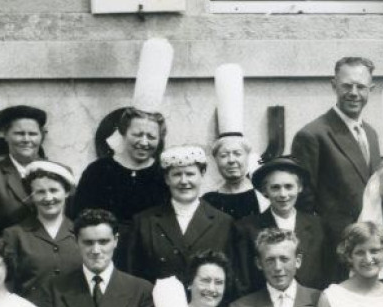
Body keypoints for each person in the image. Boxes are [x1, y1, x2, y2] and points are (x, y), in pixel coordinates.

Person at [291, 57, 380, 256]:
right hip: (333, 248)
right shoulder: (313, 134)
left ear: (371, 89)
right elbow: (303, 204)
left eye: (361, 87)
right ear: (334, 86)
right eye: (347, 86)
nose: (354, 93)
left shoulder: (371, 134)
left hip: (370, 248)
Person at [121, 146, 240, 287]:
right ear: (167, 179)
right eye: (177, 174)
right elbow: (131, 278)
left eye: (190, 174)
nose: (184, 181)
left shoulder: (223, 223)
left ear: (202, 174)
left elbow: (232, 280)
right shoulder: (144, 222)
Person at [233, 158, 328, 295]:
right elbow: (244, 280)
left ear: (299, 187)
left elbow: (328, 273)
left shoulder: (319, 226)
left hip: (311, 305)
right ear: (265, 191)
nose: (283, 194)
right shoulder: (247, 229)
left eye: (289, 187)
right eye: (275, 188)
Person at [71, 107, 168, 225]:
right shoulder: (97, 171)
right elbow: (79, 217)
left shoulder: (164, 173)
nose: (143, 142)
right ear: (123, 132)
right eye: (137, 134)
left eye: (151, 137)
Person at [1, 162, 81, 296]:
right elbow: (8, 285)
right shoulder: (14, 235)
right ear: (31, 196)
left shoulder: (81, 232)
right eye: (40, 192)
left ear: (66, 192)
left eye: (54, 190)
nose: (48, 198)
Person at [0, 105, 53, 232]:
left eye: (32, 134)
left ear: (41, 137)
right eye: (19, 134)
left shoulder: (58, 172)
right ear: (6, 135)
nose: (26, 139)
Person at [202, 134, 261, 223]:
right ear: (216, 160)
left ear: (247, 157)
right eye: (224, 155)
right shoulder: (209, 200)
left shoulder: (261, 195)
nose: (231, 160)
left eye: (237, 154)